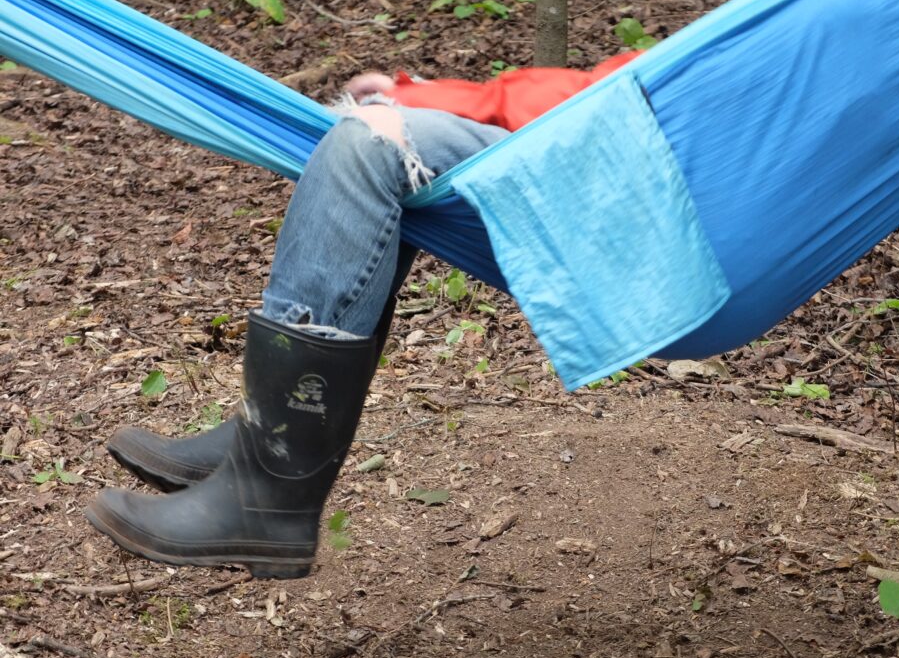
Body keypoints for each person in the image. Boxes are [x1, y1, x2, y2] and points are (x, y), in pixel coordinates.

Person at [84, 53, 640, 579]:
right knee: (374, 133)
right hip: (614, 145)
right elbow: (614, 88)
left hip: (626, 176)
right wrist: (433, 98)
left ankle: (266, 497)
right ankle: (265, 433)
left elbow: (616, 100)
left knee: (365, 146)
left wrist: (432, 103)